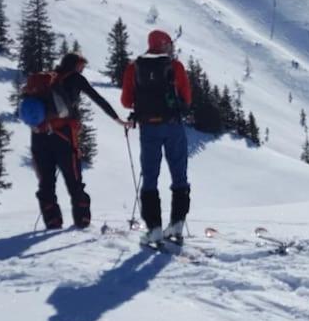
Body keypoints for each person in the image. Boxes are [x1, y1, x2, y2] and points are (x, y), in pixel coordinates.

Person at [32, 53, 130, 229]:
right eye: (81, 66)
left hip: (39, 135)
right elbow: (97, 98)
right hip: (63, 135)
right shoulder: (76, 79)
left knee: (46, 182)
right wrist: (117, 119)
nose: (82, 69)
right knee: (74, 180)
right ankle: (82, 222)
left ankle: (53, 222)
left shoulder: (46, 80)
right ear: (76, 65)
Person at [120, 29, 193, 245]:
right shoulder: (175, 66)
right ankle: (177, 223)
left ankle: (154, 228)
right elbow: (187, 98)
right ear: (164, 45)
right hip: (174, 126)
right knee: (179, 175)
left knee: (150, 177)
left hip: (148, 128)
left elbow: (126, 101)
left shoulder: (135, 67)